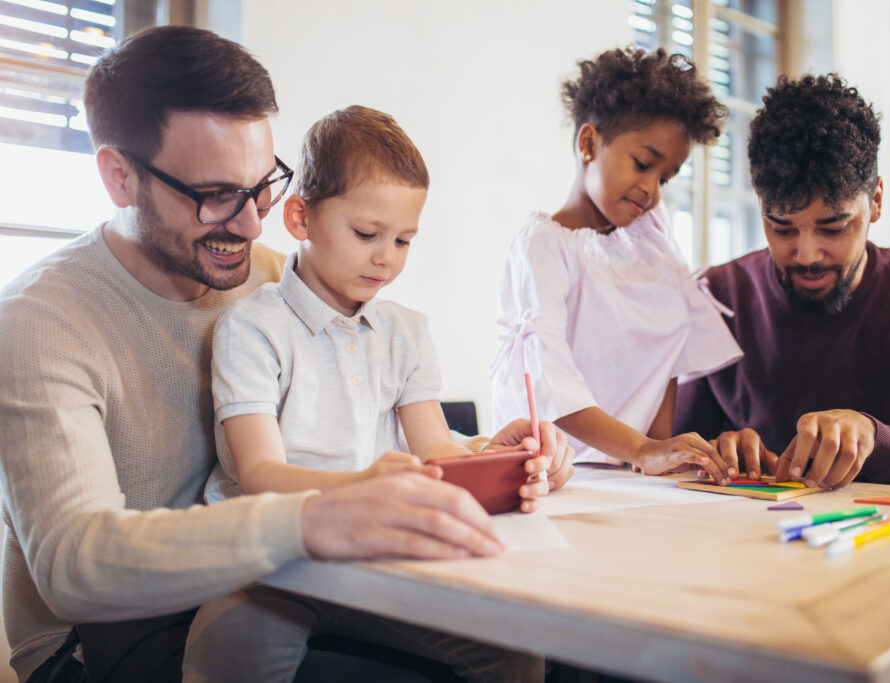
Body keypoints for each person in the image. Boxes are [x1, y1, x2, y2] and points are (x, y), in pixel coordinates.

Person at [0, 25, 570, 682]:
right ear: (119, 175)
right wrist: (314, 519)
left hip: (290, 571)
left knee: (529, 643)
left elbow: (378, 432)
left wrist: (492, 455)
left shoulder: (281, 277)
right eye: (215, 194)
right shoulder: (37, 321)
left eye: (262, 184)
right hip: (108, 634)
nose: (251, 223)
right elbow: (78, 567)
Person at [182, 106, 566, 682]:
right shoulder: (252, 329)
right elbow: (260, 473)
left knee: (516, 652)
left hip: (382, 558)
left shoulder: (406, 331)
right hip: (274, 563)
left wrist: (505, 465)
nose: (387, 257)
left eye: (405, 240)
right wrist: (368, 485)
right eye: (367, 234)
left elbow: (438, 452)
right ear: (300, 218)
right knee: (228, 650)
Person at [673, 73, 890, 498]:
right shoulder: (716, 298)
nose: (807, 254)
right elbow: (675, 460)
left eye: (832, 227)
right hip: (749, 551)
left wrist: (876, 441)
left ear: (875, 201)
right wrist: (715, 454)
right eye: (782, 229)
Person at [491, 47, 742, 481]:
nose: (652, 189)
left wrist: (659, 452)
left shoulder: (652, 239)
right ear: (588, 143)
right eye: (643, 164)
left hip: (632, 477)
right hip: (555, 475)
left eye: (665, 177)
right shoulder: (542, 247)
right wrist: (643, 449)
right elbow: (549, 382)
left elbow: (668, 353)